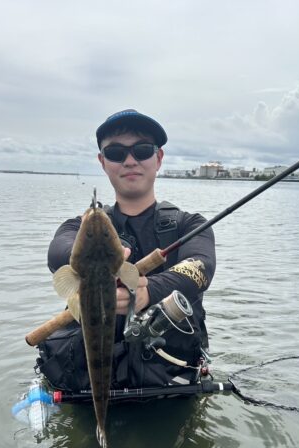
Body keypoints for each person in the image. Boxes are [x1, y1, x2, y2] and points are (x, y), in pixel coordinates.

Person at [41, 109, 216, 391]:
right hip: (90, 385)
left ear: (158, 158)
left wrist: (147, 291)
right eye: (116, 153)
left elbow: (200, 268)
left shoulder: (191, 225)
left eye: (143, 150)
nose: (130, 160)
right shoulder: (80, 226)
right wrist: (97, 262)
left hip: (172, 382)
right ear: (102, 161)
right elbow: (57, 252)